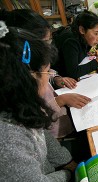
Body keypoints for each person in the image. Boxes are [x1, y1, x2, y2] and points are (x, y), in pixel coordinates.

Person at [0, 23, 77, 182]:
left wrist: (67, 161)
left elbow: (42, 131)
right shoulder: (8, 139)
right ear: (28, 79)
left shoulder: (19, 105)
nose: (49, 77)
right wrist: (68, 173)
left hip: (45, 173)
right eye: (46, 73)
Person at [0, 9, 91, 138]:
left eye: (49, 41)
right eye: (45, 42)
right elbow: (35, 116)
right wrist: (60, 100)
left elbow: (47, 70)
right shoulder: (18, 83)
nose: (48, 47)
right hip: (53, 130)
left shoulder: (30, 63)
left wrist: (56, 78)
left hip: (59, 118)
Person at [52, 10, 98, 80]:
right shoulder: (71, 42)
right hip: (60, 77)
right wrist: (97, 62)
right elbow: (73, 72)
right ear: (82, 30)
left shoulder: (83, 35)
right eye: (96, 33)